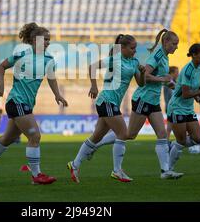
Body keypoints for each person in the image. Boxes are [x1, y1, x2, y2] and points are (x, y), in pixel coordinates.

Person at [0, 22, 68, 185]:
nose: (48, 42)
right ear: (34, 41)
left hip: (26, 104)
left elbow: (51, 78)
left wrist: (57, 94)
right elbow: (1, 66)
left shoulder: (49, 59)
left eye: (49, 40)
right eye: (45, 39)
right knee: (35, 135)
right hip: (17, 101)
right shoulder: (22, 55)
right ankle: (36, 175)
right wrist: (1, 84)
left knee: (7, 139)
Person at [86, 29, 182, 179]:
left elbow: (156, 78)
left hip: (153, 100)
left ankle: (165, 171)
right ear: (166, 42)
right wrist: (163, 79)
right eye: (174, 44)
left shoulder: (165, 56)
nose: (176, 47)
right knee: (128, 134)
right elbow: (147, 77)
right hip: (143, 99)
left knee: (162, 134)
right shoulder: (157, 56)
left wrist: (167, 83)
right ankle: (95, 146)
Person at [67, 34, 145, 183]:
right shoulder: (115, 59)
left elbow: (141, 84)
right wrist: (94, 86)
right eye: (132, 48)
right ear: (122, 48)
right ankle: (117, 171)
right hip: (106, 100)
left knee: (96, 137)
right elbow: (92, 67)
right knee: (123, 133)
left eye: (135, 48)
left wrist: (142, 73)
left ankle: (75, 164)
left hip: (112, 103)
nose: (135, 51)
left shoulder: (134, 62)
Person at [168, 43, 200, 176]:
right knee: (181, 141)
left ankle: (172, 146)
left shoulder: (199, 69)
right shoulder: (188, 70)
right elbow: (185, 94)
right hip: (177, 108)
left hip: (188, 108)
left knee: (197, 139)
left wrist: (197, 95)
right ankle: (168, 169)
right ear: (194, 55)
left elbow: (191, 90)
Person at [164, 66, 179, 140]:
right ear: (172, 73)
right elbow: (171, 95)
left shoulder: (175, 82)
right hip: (171, 107)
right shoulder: (168, 82)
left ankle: (166, 142)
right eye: (177, 73)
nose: (178, 74)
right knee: (173, 126)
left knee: (170, 127)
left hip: (173, 107)